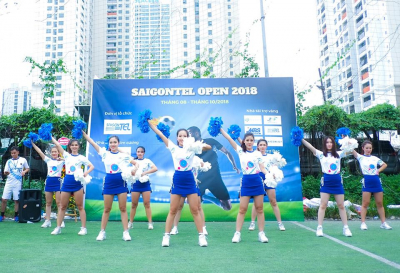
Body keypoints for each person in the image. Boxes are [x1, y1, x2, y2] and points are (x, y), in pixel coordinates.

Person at [148, 121, 211, 247]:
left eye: (185, 136)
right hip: (178, 179)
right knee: (173, 210)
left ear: (188, 138)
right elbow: (160, 134)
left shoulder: (192, 148)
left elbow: (208, 147)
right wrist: (150, 123)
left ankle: (201, 237)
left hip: (189, 180)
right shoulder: (172, 147)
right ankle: (166, 237)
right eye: (180, 136)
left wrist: (194, 146)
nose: (182, 138)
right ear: (177, 138)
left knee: (194, 209)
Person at [82, 132, 137, 241]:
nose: (113, 144)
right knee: (107, 209)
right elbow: (92, 142)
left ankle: (126, 232)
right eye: (111, 142)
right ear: (109, 144)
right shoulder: (105, 154)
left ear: (118, 143)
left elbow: (136, 163)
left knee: (123, 208)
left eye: (115, 142)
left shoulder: (123, 155)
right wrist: (83, 133)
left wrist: (134, 170)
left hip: (121, 183)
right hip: (109, 182)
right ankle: (102, 232)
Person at [219, 129, 269, 243]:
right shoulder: (240, 151)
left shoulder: (258, 153)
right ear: (244, 142)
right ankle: (237, 234)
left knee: (260, 209)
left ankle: (261, 233)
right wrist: (220, 129)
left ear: (254, 142)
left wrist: (270, 175)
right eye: (248, 140)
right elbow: (229, 138)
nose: (250, 142)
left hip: (257, 182)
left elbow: (262, 168)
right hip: (246, 182)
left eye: (252, 140)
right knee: (242, 209)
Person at [302, 137, 352, 237]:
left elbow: (351, 150)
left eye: (331, 142)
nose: (329, 144)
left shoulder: (339, 154)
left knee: (341, 205)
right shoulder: (321, 154)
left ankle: (346, 228)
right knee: (323, 205)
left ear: (333, 144)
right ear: (324, 144)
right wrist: (301, 138)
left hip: (337, 181)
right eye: (327, 142)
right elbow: (310, 147)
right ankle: (319, 227)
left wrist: (348, 142)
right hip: (326, 181)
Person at [187, 126, 239, 210]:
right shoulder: (190, 148)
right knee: (189, 201)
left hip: (215, 177)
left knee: (227, 207)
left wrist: (234, 165)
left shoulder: (211, 141)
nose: (188, 136)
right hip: (201, 178)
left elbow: (226, 152)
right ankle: (203, 196)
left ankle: (204, 197)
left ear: (196, 133)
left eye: (189, 133)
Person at [50, 137, 94, 236]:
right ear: (69, 146)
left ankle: (83, 228)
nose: (74, 147)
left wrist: (85, 173)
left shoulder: (81, 157)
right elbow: (58, 145)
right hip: (67, 182)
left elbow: (91, 166)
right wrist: (51, 137)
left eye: (76, 145)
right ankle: (58, 227)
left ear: (79, 146)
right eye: (72, 145)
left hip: (77, 183)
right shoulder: (66, 155)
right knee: (62, 206)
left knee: (80, 206)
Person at [247, 139, 285, 231]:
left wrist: (275, 174)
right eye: (261, 145)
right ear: (258, 146)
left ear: (266, 146)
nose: (262, 146)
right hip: (258, 178)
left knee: (273, 201)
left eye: (264, 145)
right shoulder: (254, 156)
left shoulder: (271, 157)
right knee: (256, 203)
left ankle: (280, 223)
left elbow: (274, 167)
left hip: (269, 179)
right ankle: (252, 223)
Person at [352, 140, 391, 230]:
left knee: (380, 203)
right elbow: (352, 150)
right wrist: (347, 140)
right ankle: (363, 223)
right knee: (365, 203)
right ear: (363, 148)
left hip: (376, 180)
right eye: (366, 148)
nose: (368, 150)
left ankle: (383, 223)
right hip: (367, 181)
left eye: (370, 148)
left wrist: (378, 171)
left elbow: (384, 165)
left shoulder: (375, 158)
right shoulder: (360, 157)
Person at [170, 156, 208, 236]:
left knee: (198, 207)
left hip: (193, 185)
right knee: (179, 207)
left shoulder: (196, 157)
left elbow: (203, 166)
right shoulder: (179, 156)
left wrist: (202, 164)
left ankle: (203, 227)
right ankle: (175, 227)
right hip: (181, 185)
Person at [31, 142, 65, 228]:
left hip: (57, 181)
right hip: (49, 181)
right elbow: (40, 152)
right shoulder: (48, 160)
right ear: (50, 153)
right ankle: (47, 221)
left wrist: (62, 159)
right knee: (48, 202)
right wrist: (33, 144)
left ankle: (61, 220)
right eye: (52, 152)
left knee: (59, 203)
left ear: (58, 152)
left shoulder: (62, 161)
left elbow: (70, 160)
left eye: (55, 152)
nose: (54, 153)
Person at [128, 146, 158, 230]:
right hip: (136, 184)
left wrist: (145, 173)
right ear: (136, 153)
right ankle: (130, 222)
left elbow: (155, 168)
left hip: (145, 184)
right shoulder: (134, 161)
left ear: (144, 153)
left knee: (147, 204)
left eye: (141, 152)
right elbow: (130, 171)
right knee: (134, 204)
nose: (140, 153)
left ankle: (150, 223)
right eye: (138, 151)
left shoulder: (147, 161)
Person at [0, 147, 29, 222]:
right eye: (12, 153)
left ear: (18, 152)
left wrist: (24, 172)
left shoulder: (23, 160)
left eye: (14, 153)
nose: (13, 154)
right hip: (9, 182)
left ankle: (16, 215)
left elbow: (27, 168)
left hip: (18, 183)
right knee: (4, 199)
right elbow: (5, 172)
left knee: (16, 200)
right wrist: (7, 173)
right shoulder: (9, 161)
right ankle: (2, 215)